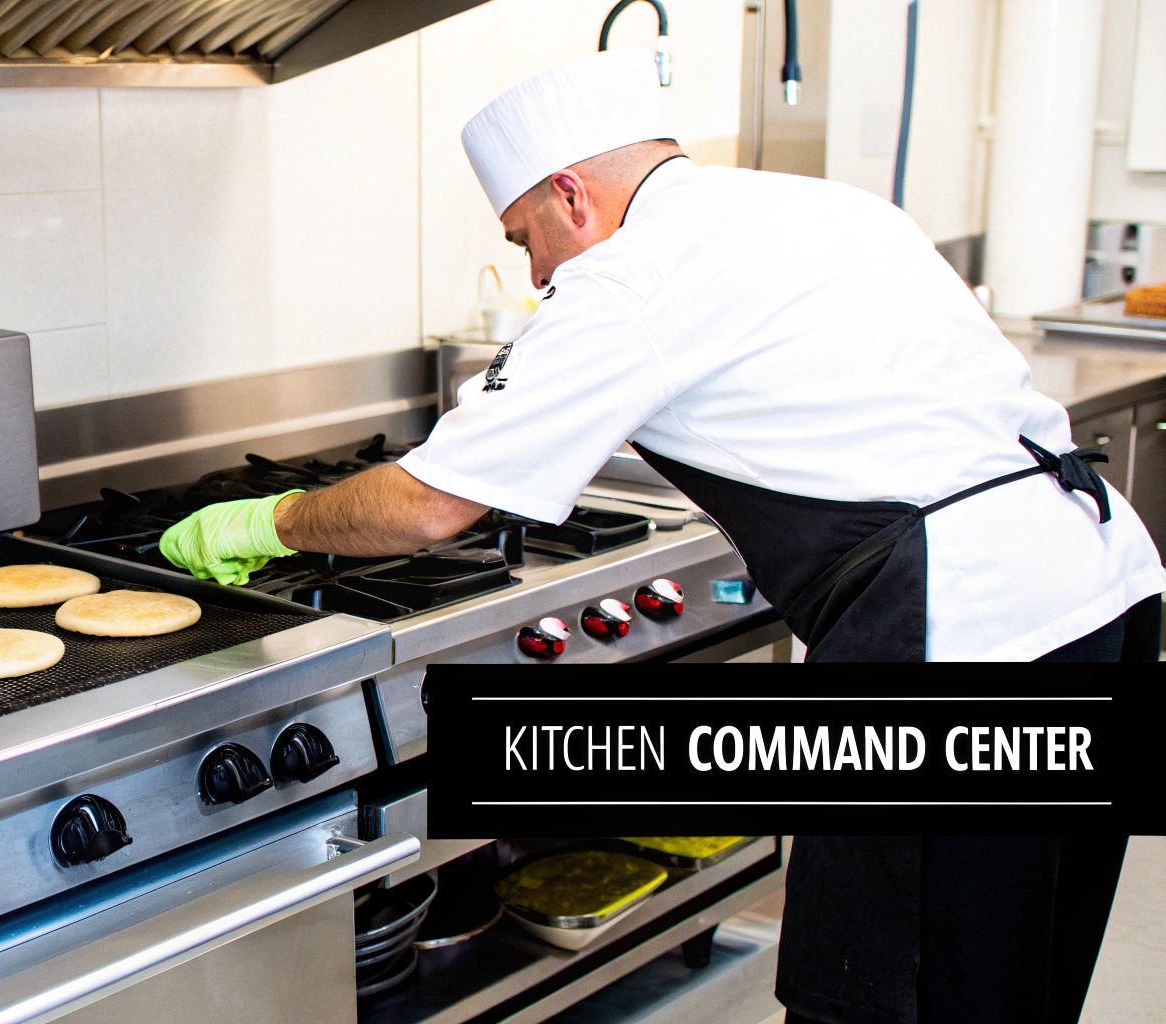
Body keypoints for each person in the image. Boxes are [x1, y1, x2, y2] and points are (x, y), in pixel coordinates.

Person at [157, 49, 1163, 1024]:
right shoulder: (821, 205)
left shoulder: (625, 280)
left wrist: (268, 520)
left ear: (570, 195)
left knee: (896, 992)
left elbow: (428, 503)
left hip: (968, 638)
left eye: (524, 239)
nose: (538, 270)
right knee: (1011, 976)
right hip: (1102, 589)